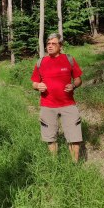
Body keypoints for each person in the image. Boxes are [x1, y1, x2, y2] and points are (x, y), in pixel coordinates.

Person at [31, 33, 83, 162]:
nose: (50, 46)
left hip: (68, 105)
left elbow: (78, 80)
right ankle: (54, 163)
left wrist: (73, 85)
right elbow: (34, 83)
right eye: (48, 44)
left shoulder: (69, 59)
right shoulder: (41, 62)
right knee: (50, 137)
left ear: (60, 46)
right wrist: (38, 86)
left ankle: (74, 165)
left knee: (74, 137)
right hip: (47, 105)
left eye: (53, 43)